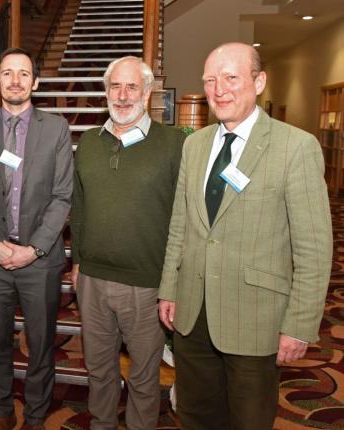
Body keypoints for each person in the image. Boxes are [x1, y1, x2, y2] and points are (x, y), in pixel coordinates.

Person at [158, 42, 333, 430]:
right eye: (210, 80)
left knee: (249, 420)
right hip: (192, 314)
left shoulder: (295, 147)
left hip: (255, 319)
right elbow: (180, 225)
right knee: (197, 415)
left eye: (231, 78)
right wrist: (169, 287)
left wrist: (299, 324)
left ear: (259, 82)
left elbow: (314, 250)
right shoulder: (194, 145)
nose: (219, 89)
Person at [70, 56, 185, 430]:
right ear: (105, 91)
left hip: (147, 283)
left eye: (131, 86)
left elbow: (183, 217)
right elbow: (80, 205)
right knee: (99, 369)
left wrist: (173, 280)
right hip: (92, 281)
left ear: (147, 92)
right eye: (114, 86)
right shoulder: (88, 141)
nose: (122, 95)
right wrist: (78, 261)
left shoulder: (173, 144)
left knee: (144, 375)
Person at [0, 47, 73, 430]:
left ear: (35, 82)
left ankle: (39, 412)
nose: (15, 80)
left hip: (39, 259)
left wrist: (33, 249)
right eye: (7, 73)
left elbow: (63, 195)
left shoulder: (56, 127)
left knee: (41, 342)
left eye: (23, 73)